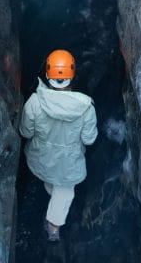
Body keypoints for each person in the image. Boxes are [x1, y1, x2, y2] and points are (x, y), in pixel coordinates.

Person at [19, 49, 97, 241]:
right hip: (67, 165)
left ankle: (50, 194)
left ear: (47, 74)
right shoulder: (86, 107)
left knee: (52, 179)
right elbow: (89, 139)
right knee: (64, 192)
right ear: (73, 75)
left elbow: (25, 132)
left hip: (40, 159)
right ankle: (53, 228)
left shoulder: (34, 102)